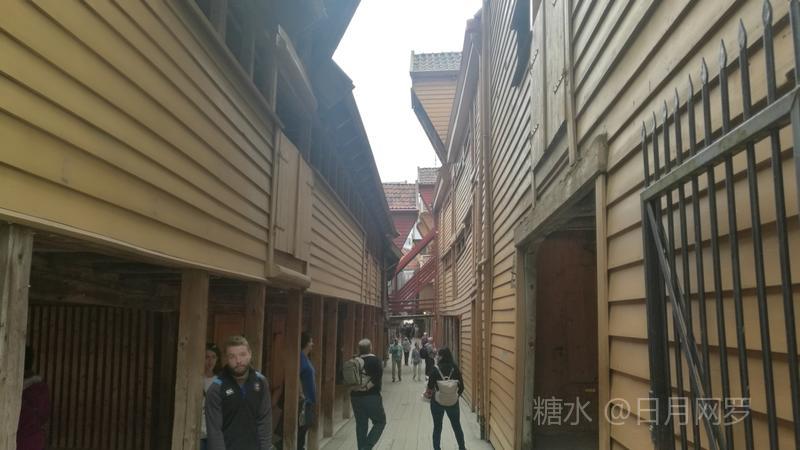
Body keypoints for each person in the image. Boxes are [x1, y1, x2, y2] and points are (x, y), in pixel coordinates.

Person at [206, 336, 272, 450]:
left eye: (242, 354)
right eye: (232, 356)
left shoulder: (261, 382)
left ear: (250, 354)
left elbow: (264, 421)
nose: (238, 361)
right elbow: (215, 431)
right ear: (226, 358)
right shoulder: (216, 388)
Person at [427, 347, 466, 450]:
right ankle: (462, 447)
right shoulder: (455, 368)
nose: (437, 357)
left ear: (442, 356)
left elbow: (430, 387)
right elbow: (462, 388)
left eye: (438, 355)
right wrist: (454, 396)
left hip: (437, 403)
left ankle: (437, 448)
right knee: (456, 426)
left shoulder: (435, 369)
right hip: (453, 402)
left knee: (437, 427)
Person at [350, 338, 386, 450]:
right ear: (370, 347)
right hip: (372, 396)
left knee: (361, 425)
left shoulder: (353, 361)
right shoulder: (375, 360)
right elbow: (378, 377)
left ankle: (361, 448)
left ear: (359, 349)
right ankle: (366, 447)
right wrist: (366, 387)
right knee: (380, 422)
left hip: (355, 396)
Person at [17, 346, 50, 450]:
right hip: (36, 440)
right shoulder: (42, 388)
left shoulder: (15, 390)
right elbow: (44, 416)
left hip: (20, 440)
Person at [298, 332, 317, 450]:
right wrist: (301, 394)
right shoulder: (300, 357)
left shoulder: (305, 357)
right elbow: (296, 376)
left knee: (304, 427)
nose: (312, 344)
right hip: (303, 401)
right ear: (305, 343)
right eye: (310, 341)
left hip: (308, 400)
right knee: (301, 429)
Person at [201, 343, 221, 450]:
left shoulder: (220, 381)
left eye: (213, 357)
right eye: (207, 357)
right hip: (197, 430)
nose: (210, 361)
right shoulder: (197, 378)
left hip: (213, 432)